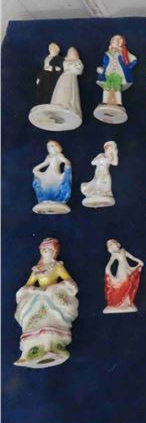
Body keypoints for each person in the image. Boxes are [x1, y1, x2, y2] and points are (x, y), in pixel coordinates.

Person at [14, 238, 79, 368]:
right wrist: (32, 290)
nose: (45, 251)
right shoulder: (37, 269)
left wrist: (56, 287)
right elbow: (28, 284)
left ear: (54, 252)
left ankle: (52, 347)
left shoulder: (57, 266)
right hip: (38, 294)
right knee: (29, 311)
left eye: (48, 249)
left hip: (52, 293)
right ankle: (27, 352)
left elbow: (70, 282)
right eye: (43, 249)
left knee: (50, 308)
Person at [103, 239, 144, 313]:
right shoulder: (114, 254)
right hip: (121, 270)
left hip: (127, 268)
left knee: (129, 284)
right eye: (111, 245)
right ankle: (122, 303)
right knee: (124, 284)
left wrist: (139, 261)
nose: (113, 246)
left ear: (117, 244)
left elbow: (132, 257)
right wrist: (107, 268)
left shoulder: (123, 251)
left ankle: (128, 302)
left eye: (113, 244)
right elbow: (110, 263)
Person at [32, 140, 72, 212]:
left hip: (56, 174)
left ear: (56, 147)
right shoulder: (48, 156)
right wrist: (35, 168)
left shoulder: (59, 155)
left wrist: (67, 164)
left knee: (58, 184)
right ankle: (45, 199)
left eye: (52, 146)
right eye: (48, 146)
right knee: (44, 183)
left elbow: (66, 161)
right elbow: (44, 164)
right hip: (48, 173)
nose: (49, 148)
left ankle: (57, 199)